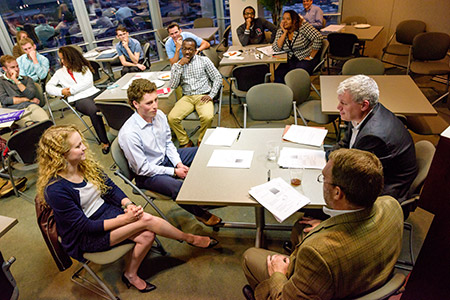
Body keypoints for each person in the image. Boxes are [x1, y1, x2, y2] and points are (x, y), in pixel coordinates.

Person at [36, 125, 218, 293]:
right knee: (145, 220)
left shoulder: (84, 165)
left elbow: (111, 188)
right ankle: (190, 239)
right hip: (86, 235)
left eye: (82, 142)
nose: (84, 147)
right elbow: (84, 227)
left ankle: (130, 274)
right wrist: (126, 219)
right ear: (61, 155)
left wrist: (127, 204)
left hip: (106, 212)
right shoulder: (55, 189)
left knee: (147, 235)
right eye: (77, 146)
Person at [242, 148, 404, 300]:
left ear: (337, 192)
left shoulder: (317, 253)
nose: (322, 182)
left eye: (324, 179)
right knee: (301, 227)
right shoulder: (392, 205)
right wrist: (328, 224)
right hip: (364, 277)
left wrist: (278, 274)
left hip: (330, 286)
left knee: (249, 257)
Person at [118, 78, 222, 227]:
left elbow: (167, 143)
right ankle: (201, 213)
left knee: (202, 152)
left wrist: (178, 163)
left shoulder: (158, 115)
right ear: (135, 104)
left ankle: (207, 188)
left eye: (156, 100)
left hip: (164, 159)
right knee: (178, 188)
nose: (155, 106)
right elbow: (142, 168)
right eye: (149, 103)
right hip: (147, 173)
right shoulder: (129, 134)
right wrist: (174, 171)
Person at [330, 75, 417, 205]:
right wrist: (327, 157)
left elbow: (356, 178)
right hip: (366, 177)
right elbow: (345, 144)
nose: (338, 107)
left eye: (344, 103)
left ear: (364, 105)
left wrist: (327, 170)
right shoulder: (358, 115)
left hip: (384, 192)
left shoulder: (373, 137)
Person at [45, 46, 111, 154]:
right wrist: (61, 91)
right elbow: (48, 87)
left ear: (70, 58)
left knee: (110, 103)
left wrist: (70, 91)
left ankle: (116, 128)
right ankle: (105, 141)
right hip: (78, 99)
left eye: (63, 58)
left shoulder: (83, 67)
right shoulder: (59, 73)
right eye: (60, 59)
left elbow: (88, 83)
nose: (61, 61)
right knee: (94, 110)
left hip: (93, 92)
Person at [168, 38, 222, 147]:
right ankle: (185, 141)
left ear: (195, 50)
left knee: (207, 117)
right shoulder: (177, 65)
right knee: (172, 118)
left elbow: (217, 78)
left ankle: (201, 139)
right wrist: (179, 66)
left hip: (203, 95)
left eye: (190, 49)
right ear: (181, 49)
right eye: (184, 49)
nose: (187, 52)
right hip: (187, 97)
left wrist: (211, 95)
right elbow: (173, 86)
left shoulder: (204, 61)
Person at [272, 10, 322, 83]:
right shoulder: (281, 31)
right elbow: (276, 48)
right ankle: (283, 92)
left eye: (288, 19)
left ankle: (297, 92)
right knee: (278, 74)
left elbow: (318, 38)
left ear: (294, 20)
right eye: (283, 19)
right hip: (290, 59)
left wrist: (311, 56)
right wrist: (285, 32)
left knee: (297, 75)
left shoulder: (303, 27)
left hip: (305, 57)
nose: (284, 21)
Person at [0, 55, 49, 128]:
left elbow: (30, 95)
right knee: (30, 126)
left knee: (45, 122)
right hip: (14, 111)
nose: (16, 69)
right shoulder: (1, 82)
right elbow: (5, 100)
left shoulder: (27, 79)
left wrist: (16, 81)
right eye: (12, 67)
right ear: (5, 69)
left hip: (30, 106)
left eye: (17, 66)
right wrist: (28, 99)